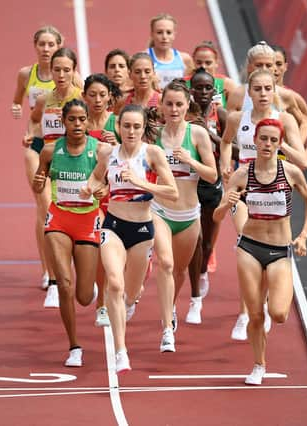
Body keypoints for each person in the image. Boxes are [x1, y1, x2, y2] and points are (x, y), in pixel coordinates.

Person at [213, 118, 307, 385]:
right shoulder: (242, 174)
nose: (268, 144)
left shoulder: (291, 172)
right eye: (263, 139)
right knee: (255, 313)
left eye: (273, 140)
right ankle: (259, 364)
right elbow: (216, 216)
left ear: (280, 143)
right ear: (254, 141)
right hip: (249, 246)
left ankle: (272, 297)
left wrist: (303, 235)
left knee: (279, 314)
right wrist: (228, 204)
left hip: (280, 249)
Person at [82, 104, 178, 373]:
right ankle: (120, 351)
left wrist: (141, 182)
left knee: (131, 293)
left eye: (137, 126)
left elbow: (172, 192)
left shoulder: (153, 154)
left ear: (143, 128)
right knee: (114, 282)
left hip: (142, 229)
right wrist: (90, 188)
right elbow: (97, 177)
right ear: (119, 127)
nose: (131, 131)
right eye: (126, 126)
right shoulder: (108, 153)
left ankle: (130, 303)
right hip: (112, 225)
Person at [219, 67, 307, 340]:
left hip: (273, 188)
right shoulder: (237, 118)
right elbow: (225, 142)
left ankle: (265, 300)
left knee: (267, 246)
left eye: (267, 89)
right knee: (245, 240)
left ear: (274, 91)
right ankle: (246, 313)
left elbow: (304, 161)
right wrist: (225, 164)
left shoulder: (283, 120)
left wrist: (280, 147)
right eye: (256, 89)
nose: (262, 94)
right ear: (249, 92)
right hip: (245, 185)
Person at [32, 99, 104, 368]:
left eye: (82, 119)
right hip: (59, 220)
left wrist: (101, 191)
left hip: (87, 222)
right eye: (72, 119)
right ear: (63, 121)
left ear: (87, 121)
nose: (77, 124)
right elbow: (39, 184)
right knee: (64, 282)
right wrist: (38, 182)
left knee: (84, 297)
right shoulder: (50, 152)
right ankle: (74, 346)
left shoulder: (100, 151)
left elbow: (108, 187)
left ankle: (91, 288)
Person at [152, 79, 217, 352]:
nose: (174, 109)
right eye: (169, 104)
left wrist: (190, 161)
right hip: (160, 211)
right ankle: (167, 328)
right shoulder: (153, 135)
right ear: (161, 105)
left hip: (189, 214)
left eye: (179, 104)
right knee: (165, 264)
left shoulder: (198, 135)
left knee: (178, 270)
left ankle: (171, 309)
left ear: (187, 104)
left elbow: (213, 176)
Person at [27, 47, 83, 308]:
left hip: (78, 164)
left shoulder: (81, 97)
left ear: (74, 71)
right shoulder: (44, 100)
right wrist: (31, 135)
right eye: (57, 69)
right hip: (52, 162)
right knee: (48, 214)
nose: (60, 74)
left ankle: (86, 274)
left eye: (66, 70)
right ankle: (53, 280)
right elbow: (34, 122)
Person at [11, 26, 63, 292]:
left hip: (63, 148)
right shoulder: (26, 74)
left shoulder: (70, 77)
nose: (46, 49)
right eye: (41, 44)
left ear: (58, 46)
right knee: (44, 204)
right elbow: (19, 101)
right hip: (37, 145)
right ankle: (48, 272)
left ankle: (64, 261)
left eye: (50, 44)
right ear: (35, 46)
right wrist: (19, 114)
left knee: (59, 207)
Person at [184, 68, 227, 324]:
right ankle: (195, 299)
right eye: (198, 88)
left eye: (207, 88)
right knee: (196, 241)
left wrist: (208, 133)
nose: (202, 92)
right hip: (189, 184)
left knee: (208, 244)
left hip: (213, 184)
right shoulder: (184, 114)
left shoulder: (220, 115)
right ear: (191, 90)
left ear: (214, 91)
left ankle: (201, 274)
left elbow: (231, 149)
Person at [83, 73, 122, 326]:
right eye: (92, 94)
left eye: (102, 95)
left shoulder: (118, 123)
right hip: (89, 195)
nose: (97, 100)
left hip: (116, 194)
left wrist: (117, 143)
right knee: (99, 245)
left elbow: (133, 154)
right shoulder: (78, 122)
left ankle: (111, 296)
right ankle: (101, 304)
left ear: (110, 97)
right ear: (84, 96)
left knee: (117, 254)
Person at [271, 45, 307, 158]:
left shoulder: (293, 97)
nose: (274, 68)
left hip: (281, 158)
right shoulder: (254, 91)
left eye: (279, 64)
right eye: (270, 64)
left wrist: (304, 152)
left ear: (285, 67)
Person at [147, 13, 194, 90]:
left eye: (168, 32)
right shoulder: (144, 58)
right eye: (159, 32)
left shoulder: (185, 59)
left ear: (174, 35)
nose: (164, 37)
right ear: (152, 34)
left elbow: (191, 87)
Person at [188, 40, 237, 108]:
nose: (203, 66)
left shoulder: (227, 84)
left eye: (208, 63)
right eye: (199, 63)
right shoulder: (183, 83)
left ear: (216, 62)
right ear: (193, 61)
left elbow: (235, 112)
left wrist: (219, 109)